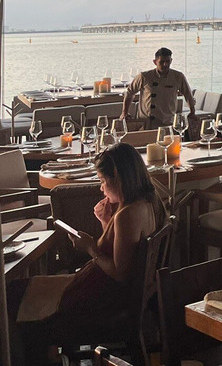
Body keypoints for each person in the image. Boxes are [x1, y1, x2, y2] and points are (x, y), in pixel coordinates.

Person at [8, 144, 167, 364]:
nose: (101, 188)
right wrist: (106, 222)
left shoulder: (128, 215)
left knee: (15, 300)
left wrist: (89, 247)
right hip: (106, 291)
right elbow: (123, 252)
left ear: (118, 178)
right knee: (16, 291)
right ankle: (53, 358)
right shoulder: (149, 202)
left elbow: (120, 273)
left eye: (102, 180)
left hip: (101, 300)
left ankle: (44, 358)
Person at [121, 47, 195, 130]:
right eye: (162, 62)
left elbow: (188, 95)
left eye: (168, 61)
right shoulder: (144, 76)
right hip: (146, 123)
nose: (165, 64)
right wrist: (124, 112)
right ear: (155, 62)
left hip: (167, 122)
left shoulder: (178, 76)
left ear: (171, 60)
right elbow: (129, 93)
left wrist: (192, 111)